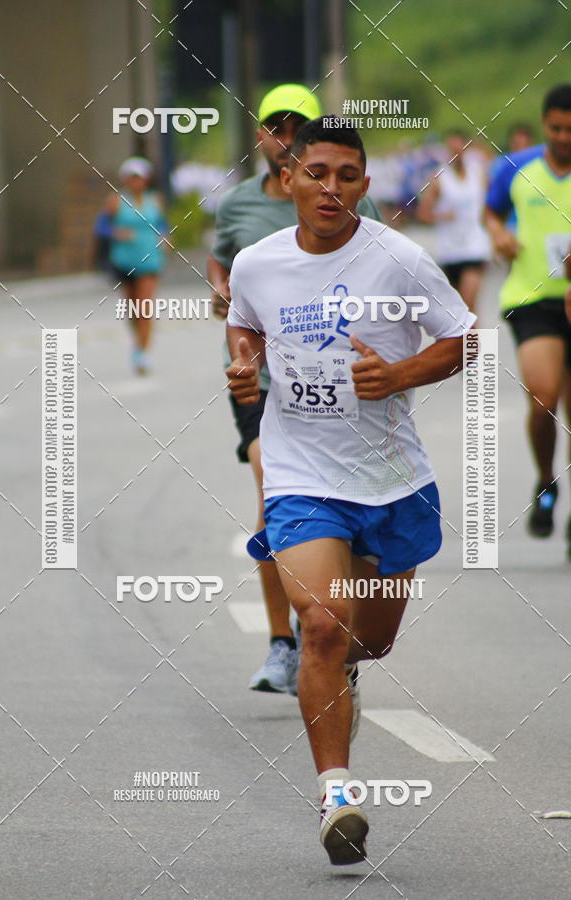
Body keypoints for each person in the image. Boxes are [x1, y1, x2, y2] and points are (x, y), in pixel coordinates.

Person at [226, 117, 474, 864]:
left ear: (365, 184)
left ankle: (343, 672)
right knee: (324, 626)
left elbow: (463, 338)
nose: (330, 188)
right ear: (289, 179)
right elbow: (246, 326)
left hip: (393, 481)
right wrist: (244, 364)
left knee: (373, 638)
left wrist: (398, 375)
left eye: (347, 176)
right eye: (317, 173)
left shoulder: (399, 260)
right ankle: (337, 797)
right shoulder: (256, 264)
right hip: (303, 474)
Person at [208, 85, 382, 695]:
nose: (283, 139)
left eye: (295, 128)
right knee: (271, 486)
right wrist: (224, 297)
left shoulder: (346, 200)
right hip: (260, 382)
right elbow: (220, 264)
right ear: (260, 136)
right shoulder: (237, 207)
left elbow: (381, 268)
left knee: (349, 508)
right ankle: (285, 642)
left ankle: (334, 630)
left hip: (338, 385)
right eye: (273, 128)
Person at [485, 84, 571, 550]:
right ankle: (545, 479)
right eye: (555, 128)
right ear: (544, 124)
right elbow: (491, 212)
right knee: (543, 398)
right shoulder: (515, 168)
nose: (563, 137)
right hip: (533, 297)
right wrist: (499, 234)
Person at [100, 157, 168, 375]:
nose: (136, 183)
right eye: (132, 178)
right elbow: (101, 226)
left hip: (149, 258)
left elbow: (161, 223)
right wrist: (115, 233)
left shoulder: (155, 200)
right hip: (124, 259)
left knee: (144, 306)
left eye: (139, 178)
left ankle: (142, 353)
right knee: (132, 308)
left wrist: (166, 237)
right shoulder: (116, 201)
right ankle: (137, 341)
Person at [417, 129, 491, 319]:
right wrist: (441, 216)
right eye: (452, 150)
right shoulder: (439, 178)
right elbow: (423, 214)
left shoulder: (479, 173)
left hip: (476, 246)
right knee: (457, 311)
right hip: (450, 250)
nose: (456, 154)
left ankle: (483, 350)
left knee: (471, 303)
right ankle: (462, 349)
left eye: (460, 149)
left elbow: (492, 205)